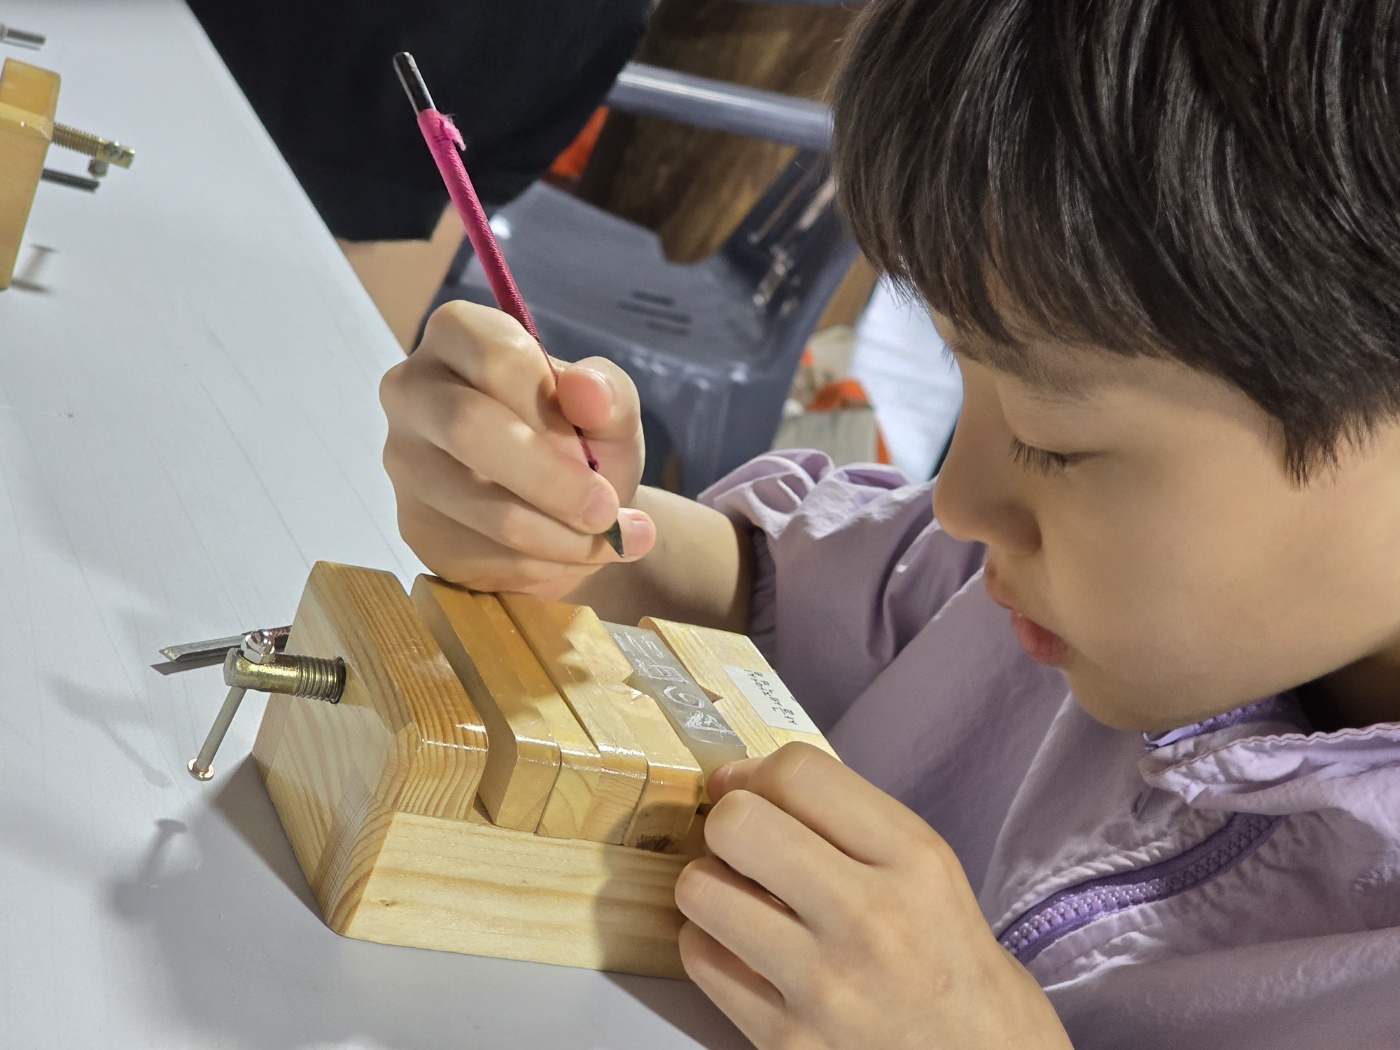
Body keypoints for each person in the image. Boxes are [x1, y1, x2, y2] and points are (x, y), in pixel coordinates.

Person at [378, 0, 1400, 1046]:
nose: (959, 500)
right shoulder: (1027, 586)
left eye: (1056, 441)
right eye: (964, 377)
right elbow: (777, 597)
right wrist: (579, 528)